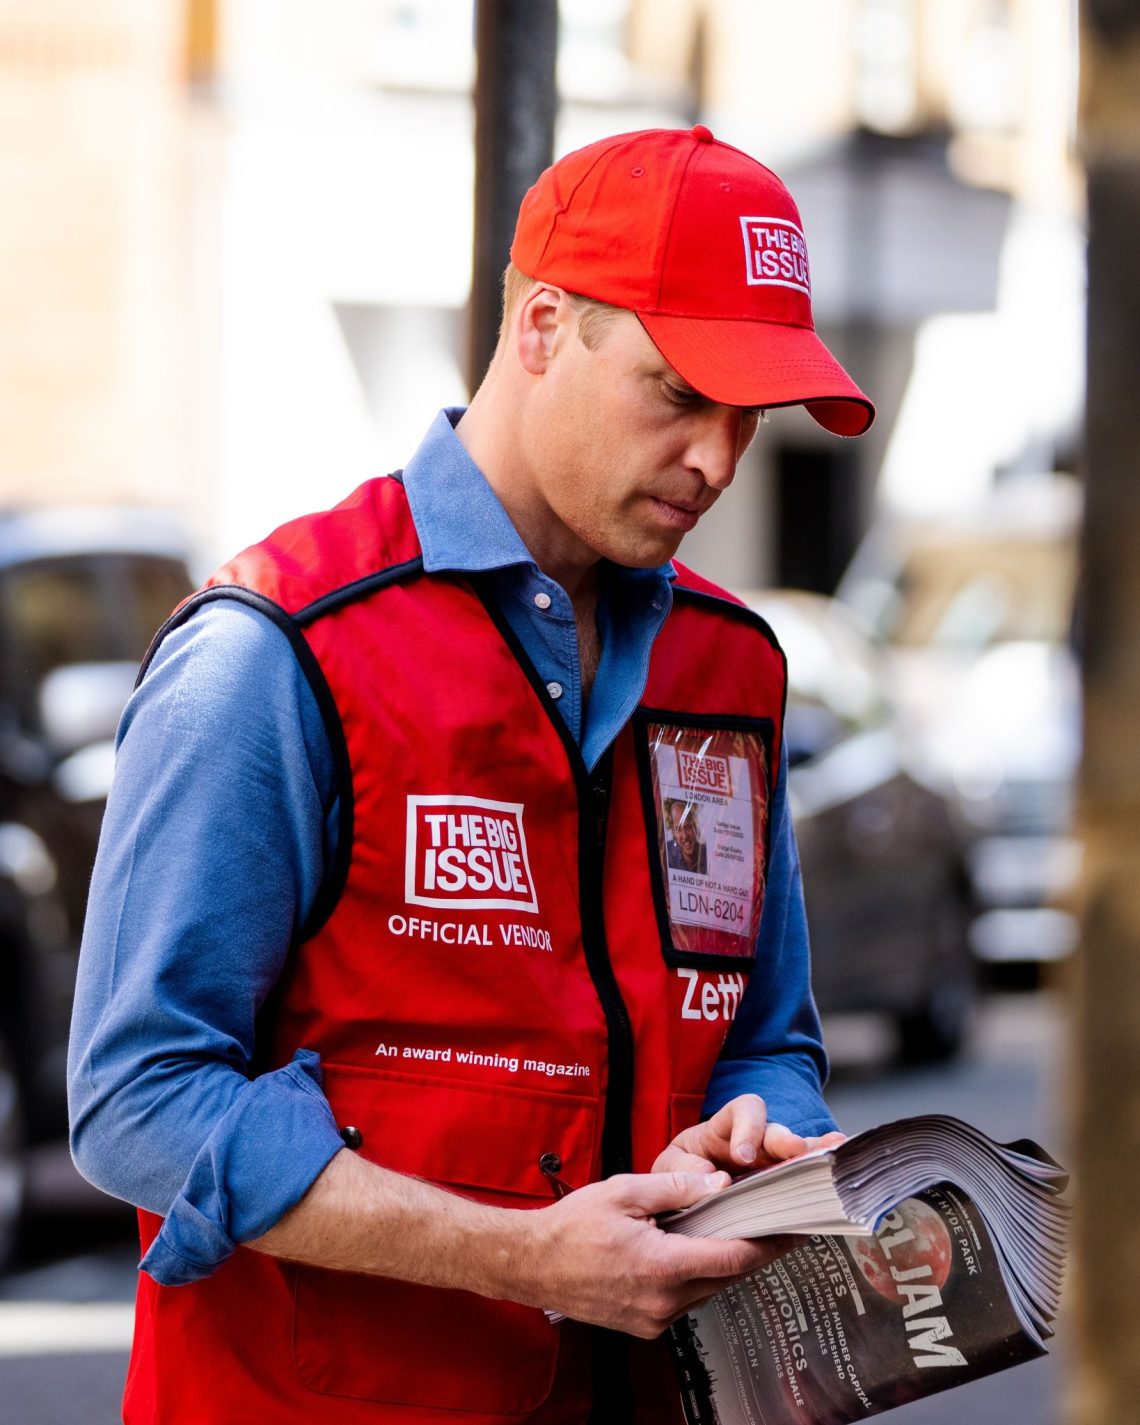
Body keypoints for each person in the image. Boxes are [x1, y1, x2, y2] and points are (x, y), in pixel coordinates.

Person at [68, 125, 873, 1425]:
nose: (721, 461)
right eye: (680, 393)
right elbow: (137, 1099)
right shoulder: (279, 649)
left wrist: (757, 1136)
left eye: (753, 413)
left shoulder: (730, 666)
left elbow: (766, 1038)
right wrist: (523, 1255)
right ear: (544, 326)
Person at [665, 799, 708, 875]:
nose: (685, 836)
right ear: (673, 832)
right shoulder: (666, 853)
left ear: (695, 826)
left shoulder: (708, 853)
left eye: (688, 827)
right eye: (678, 829)